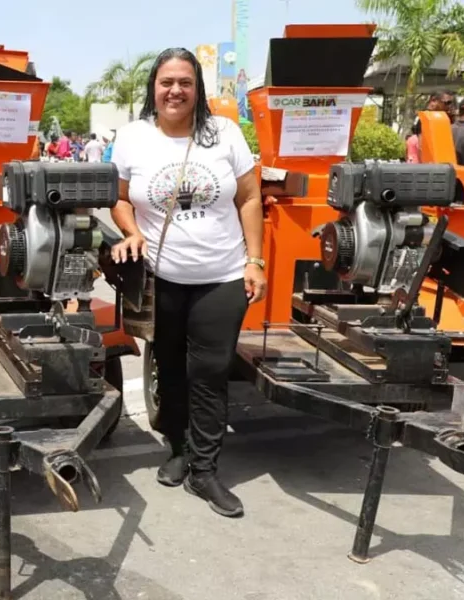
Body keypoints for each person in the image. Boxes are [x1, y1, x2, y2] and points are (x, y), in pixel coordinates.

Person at [108, 47, 265, 518]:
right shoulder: (134, 138)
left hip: (221, 276)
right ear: (153, 90)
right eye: (166, 82)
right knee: (170, 370)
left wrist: (254, 260)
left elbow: (251, 197)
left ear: (197, 90)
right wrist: (132, 231)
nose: (175, 90)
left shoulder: (225, 134)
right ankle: (178, 449)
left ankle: (204, 470)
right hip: (162, 278)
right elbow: (117, 198)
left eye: (185, 82)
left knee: (210, 374)